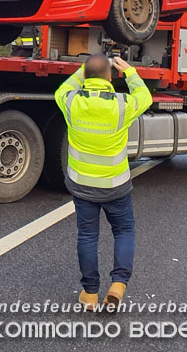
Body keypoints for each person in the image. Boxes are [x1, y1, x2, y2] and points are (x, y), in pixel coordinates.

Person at [55, 53, 153, 311]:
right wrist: (130, 72)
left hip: (82, 186)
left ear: (86, 76)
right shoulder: (121, 105)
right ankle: (118, 285)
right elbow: (146, 97)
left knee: (87, 235)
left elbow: (64, 88)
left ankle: (89, 294)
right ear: (110, 77)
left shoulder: (71, 102)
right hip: (115, 187)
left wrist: (83, 69)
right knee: (123, 231)